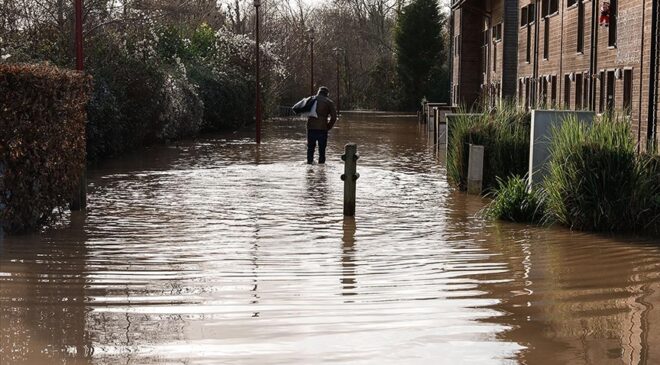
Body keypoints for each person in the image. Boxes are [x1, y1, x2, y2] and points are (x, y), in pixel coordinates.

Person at [307, 86, 337, 164]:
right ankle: (321, 169)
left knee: (310, 148)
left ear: (318, 92)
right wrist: (328, 126)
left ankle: (309, 166)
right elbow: (334, 117)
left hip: (311, 127)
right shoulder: (329, 102)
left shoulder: (311, 99)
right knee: (322, 150)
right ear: (327, 94)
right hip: (322, 128)